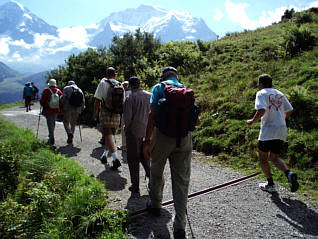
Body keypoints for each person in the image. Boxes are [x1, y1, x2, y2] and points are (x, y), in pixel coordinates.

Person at [143, 67, 194, 239]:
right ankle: (180, 226)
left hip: (163, 136)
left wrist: (147, 140)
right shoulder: (185, 90)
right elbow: (196, 119)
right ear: (177, 77)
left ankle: (156, 205)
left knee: (156, 170)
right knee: (181, 181)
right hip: (184, 138)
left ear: (163, 77)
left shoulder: (159, 88)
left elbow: (152, 115)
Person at [247, 74, 299, 193]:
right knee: (274, 157)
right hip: (281, 129)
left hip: (268, 130)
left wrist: (252, 121)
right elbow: (290, 110)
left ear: (260, 84)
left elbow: (261, 109)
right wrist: (280, 119)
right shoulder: (279, 93)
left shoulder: (261, 93)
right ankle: (289, 173)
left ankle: (270, 183)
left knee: (263, 158)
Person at [123, 76, 151, 194]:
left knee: (133, 159)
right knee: (145, 156)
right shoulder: (150, 95)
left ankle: (135, 185)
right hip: (149, 131)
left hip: (134, 131)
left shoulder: (130, 97)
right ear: (139, 84)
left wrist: (126, 129)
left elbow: (128, 118)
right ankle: (153, 180)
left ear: (130, 85)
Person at [93, 67, 123, 170]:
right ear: (115, 74)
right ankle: (104, 155)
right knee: (109, 135)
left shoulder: (103, 83)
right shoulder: (120, 85)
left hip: (106, 113)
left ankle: (115, 159)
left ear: (107, 74)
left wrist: (95, 113)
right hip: (117, 114)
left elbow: (97, 100)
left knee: (108, 134)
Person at [40, 79, 63, 145]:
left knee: (49, 123)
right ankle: (51, 134)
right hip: (56, 109)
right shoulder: (58, 91)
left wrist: (43, 105)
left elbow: (42, 100)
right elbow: (61, 100)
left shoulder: (46, 90)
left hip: (48, 109)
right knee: (53, 122)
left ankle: (51, 137)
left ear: (49, 84)